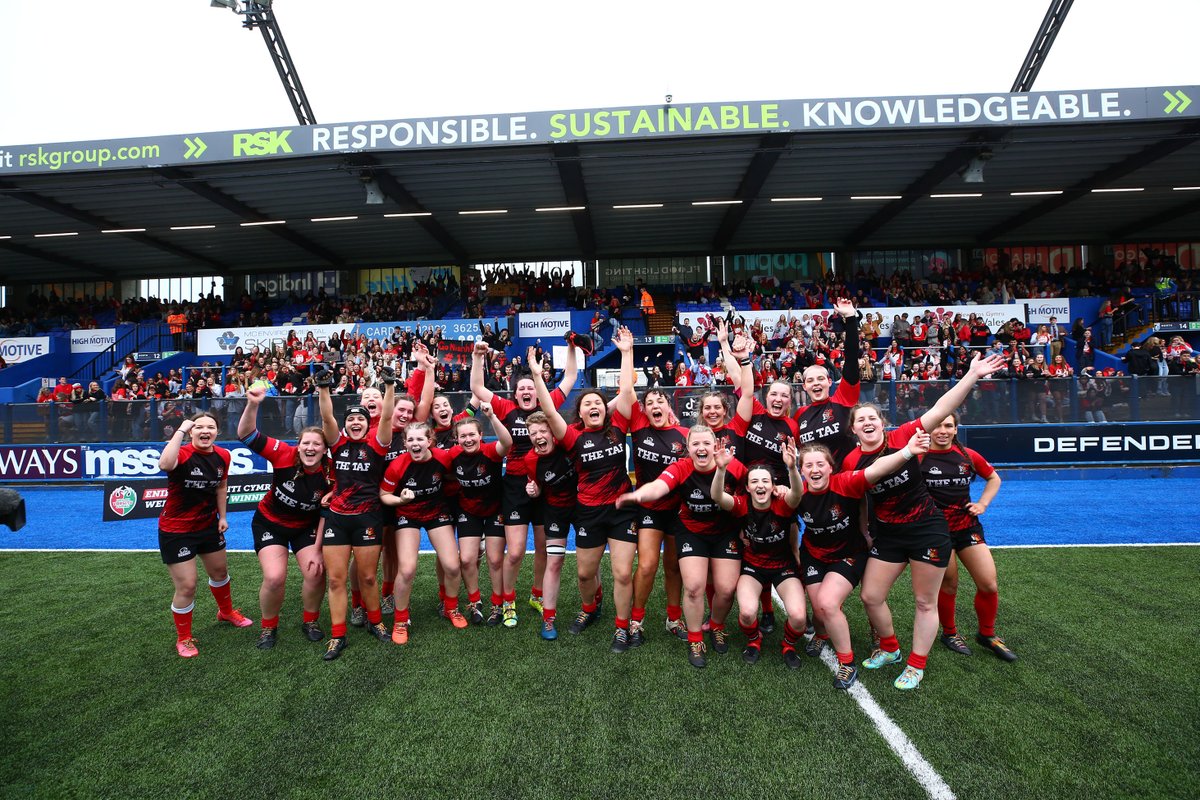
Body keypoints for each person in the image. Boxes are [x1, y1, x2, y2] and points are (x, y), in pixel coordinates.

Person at [843, 351, 1005, 690]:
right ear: (854, 429)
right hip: (887, 535)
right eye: (860, 420)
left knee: (923, 601)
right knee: (871, 597)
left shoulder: (902, 436)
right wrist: (864, 531)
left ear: (881, 421)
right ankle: (890, 649)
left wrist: (972, 375)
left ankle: (917, 665)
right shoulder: (852, 460)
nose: (867, 422)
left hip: (926, 530)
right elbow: (859, 500)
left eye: (872, 417)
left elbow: (942, 407)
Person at [794, 436, 931, 690]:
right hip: (814, 555)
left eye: (820, 464)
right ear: (800, 470)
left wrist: (908, 452)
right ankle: (822, 634)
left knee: (827, 603)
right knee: (818, 606)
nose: (815, 470)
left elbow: (877, 469)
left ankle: (847, 663)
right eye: (808, 466)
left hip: (848, 553)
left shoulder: (845, 482)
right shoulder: (796, 492)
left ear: (831, 467)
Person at [532, 329, 637, 653]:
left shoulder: (618, 426)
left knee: (621, 573)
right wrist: (538, 376)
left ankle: (622, 628)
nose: (594, 405)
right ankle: (591, 607)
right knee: (584, 573)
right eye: (587, 403)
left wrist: (627, 350)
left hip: (621, 510)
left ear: (605, 409)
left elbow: (628, 388)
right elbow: (549, 412)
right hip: (588, 512)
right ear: (580, 413)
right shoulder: (573, 437)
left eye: (598, 402)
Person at [617, 425, 746, 668]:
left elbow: (754, 489)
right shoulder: (682, 467)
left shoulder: (733, 466)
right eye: (695, 444)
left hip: (724, 532)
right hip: (692, 531)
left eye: (706, 443)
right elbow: (659, 486)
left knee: (727, 589)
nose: (701, 448)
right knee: (695, 587)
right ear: (688, 448)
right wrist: (638, 495)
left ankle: (717, 626)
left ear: (715, 445)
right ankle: (696, 640)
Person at [470, 340, 578, 627]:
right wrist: (478, 357)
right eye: (522, 389)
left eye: (531, 388)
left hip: (546, 485)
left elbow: (569, 377)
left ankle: (538, 594)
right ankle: (508, 600)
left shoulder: (548, 403)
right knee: (516, 550)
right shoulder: (506, 408)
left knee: (543, 547)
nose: (527, 392)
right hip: (516, 487)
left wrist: (570, 347)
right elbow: (478, 389)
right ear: (515, 394)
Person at [237, 385, 330, 650]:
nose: (310, 448)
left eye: (317, 444)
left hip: (305, 528)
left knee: (315, 572)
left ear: (324, 450)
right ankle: (268, 628)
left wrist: (318, 548)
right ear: (298, 446)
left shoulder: (331, 471)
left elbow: (326, 511)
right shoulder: (282, 453)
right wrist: (253, 404)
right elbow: (245, 434)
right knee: (275, 578)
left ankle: (310, 620)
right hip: (270, 523)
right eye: (306, 443)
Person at [315, 361, 397, 660]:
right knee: (336, 580)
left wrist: (389, 387)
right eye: (350, 418)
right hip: (338, 518)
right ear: (346, 424)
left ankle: (376, 622)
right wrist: (323, 389)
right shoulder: (337, 445)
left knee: (368, 578)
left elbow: (387, 416)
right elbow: (326, 418)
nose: (355, 422)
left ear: (366, 422)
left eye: (360, 418)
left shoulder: (377, 445)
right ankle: (338, 636)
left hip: (368, 518)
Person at [921, 413, 1017, 663]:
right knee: (950, 584)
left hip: (967, 527)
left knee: (989, 584)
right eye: (938, 425)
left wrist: (983, 503)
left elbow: (994, 478)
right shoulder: (919, 456)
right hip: (936, 531)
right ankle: (950, 633)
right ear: (929, 428)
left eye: (948, 426)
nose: (942, 431)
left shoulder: (967, 455)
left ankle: (987, 634)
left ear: (955, 430)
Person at [157, 411, 251, 658]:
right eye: (199, 427)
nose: (205, 431)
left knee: (220, 573)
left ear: (217, 431)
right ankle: (184, 638)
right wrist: (180, 430)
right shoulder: (183, 453)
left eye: (211, 427)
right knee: (187, 585)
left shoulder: (223, 455)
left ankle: (226, 612)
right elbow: (165, 465)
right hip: (177, 530)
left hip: (208, 526)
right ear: (191, 432)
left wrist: (222, 517)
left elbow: (221, 486)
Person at [710, 439, 805, 668]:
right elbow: (717, 497)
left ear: (773, 486)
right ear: (748, 487)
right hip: (753, 568)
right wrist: (721, 469)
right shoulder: (742, 504)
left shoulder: (782, 503)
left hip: (783, 567)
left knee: (799, 618)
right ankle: (754, 639)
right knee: (746, 613)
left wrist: (792, 468)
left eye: (765, 481)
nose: (760, 485)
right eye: (754, 481)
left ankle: (788, 644)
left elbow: (797, 495)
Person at [618, 373, 689, 646]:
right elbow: (627, 388)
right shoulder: (638, 426)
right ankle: (637, 620)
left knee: (674, 567)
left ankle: (674, 618)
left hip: (677, 509)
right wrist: (627, 351)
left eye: (661, 400)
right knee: (647, 565)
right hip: (648, 507)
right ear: (644, 409)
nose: (655, 405)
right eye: (650, 402)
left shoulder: (684, 435)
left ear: (669, 407)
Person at [379, 420, 464, 642]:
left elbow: (458, 471)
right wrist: (400, 499)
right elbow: (384, 495)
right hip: (408, 514)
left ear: (430, 441)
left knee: (453, 565)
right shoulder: (397, 465)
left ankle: (451, 607)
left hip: (437, 512)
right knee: (406, 570)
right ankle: (400, 620)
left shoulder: (443, 458)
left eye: (420, 439)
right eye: (410, 440)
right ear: (405, 443)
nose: (415, 443)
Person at [444, 407, 512, 626]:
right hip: (468, 510)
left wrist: (492, 416)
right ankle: (475, 601)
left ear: (480, 436)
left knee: (494, 559)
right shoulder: (453, 454)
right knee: (466, 559)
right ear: (456, 439)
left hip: (494, 510)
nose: (468, 439)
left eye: (472, 434)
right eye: (462, 436)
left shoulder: (491, 451)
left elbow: (508, 443)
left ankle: (497, 603)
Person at [522, 411, 578, 640]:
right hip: (555, 511)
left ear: (553, 432)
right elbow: (538, 487)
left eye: (543, 431)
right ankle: (548, 619)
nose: (538, 436)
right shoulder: (530, 460)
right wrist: (534, 490)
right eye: (533, 433)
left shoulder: (568, 444)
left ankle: (594, 602)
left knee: (587, 564)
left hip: (582, 506)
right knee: (554, 562)